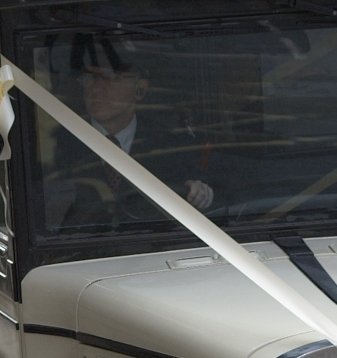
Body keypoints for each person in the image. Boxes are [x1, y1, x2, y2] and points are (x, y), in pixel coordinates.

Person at [52, 37, 215, 229]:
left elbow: (197, 185)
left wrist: (198, 191)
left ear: (140, 90)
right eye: (90, 78)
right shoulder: (58, 144)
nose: (97, 88)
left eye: (111, 77)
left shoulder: (169, 144)